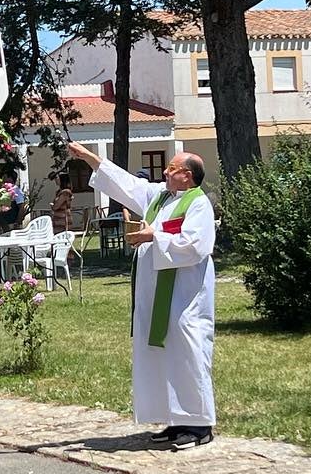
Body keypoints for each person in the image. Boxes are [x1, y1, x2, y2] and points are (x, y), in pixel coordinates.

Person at [67, 141, 217, 450]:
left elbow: (196, 245)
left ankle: (199, 425)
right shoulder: (160, 198)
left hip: (184, 295)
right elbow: (129, 185)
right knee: (163, 354)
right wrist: (94, 161)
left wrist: (155, 236)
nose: (165, 171)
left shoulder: (198, 203)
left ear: (187, 176)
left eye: (172, 168)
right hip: (157, 291)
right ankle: (176, 420)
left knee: (188, 352)